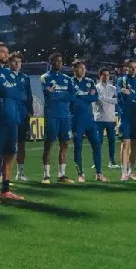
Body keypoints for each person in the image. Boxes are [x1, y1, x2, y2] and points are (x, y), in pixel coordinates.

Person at [0, 42, 27, 203]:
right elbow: (3, 90)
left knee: (11, 155)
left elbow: (22, 93)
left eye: (7, 52)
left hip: (13, 119)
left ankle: (5, 190)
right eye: (3, 52)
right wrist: (11, 91)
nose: (6, 55)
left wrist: (11, 91)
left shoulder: (11, 73)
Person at [40, 52, 75, 184]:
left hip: (65, 116)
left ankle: (62, 174)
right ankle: (46, 175)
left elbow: (72, 97)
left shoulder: (67, 79)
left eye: (60, 61)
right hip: (52, 115)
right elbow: (49, 95)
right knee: (48, 144)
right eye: (56, 61)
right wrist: (63, 95)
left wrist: (58, 94)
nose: (59, 63)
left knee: (64, 144)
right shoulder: (45, 77)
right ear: (50, 63)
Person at [69, 60, 106, 182]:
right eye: (80, 68)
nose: (83, 70)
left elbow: (94, 97)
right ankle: (80, 174)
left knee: (96, 145)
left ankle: (99, 173)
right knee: (78, 147)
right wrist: (86, 97)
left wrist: (80, 96)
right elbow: (71, 98)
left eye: (84, 68)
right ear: (74, 70)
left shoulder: (89, 82)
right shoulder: (69, 82)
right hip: (76, 120)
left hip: (89, 120)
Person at [116, 60, 136, 181]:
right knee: (125, 144)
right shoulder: (121, 80)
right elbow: (122, 93)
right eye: (131, 67)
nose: (133, 69)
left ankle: (131, 171)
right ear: (126, 68)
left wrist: (132, 95)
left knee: (134, 144)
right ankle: (123, 172)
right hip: (125, 116)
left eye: (135, 67)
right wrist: (135, 97)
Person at [11, 52, 33, 181]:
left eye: (19, 62)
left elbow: (29, 95)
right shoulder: (6, 76)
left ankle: (20, 173)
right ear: (10, 63)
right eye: (14, 61)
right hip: (10, 113)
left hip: (22, 114)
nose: (17, 64)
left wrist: (30, 111)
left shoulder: (25, 77)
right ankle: (0, 174)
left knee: (21, 143)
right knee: (7, 143)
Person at [94, 67, 119, 169]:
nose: (106, 77)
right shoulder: (95, 88)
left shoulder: (113, 88)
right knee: (97, 141)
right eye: (104, 75)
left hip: (111, 118)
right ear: (100, 76)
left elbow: (117, 101)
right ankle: (96, 161)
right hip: (99, 119)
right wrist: (110, 100)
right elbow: (97, 100)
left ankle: (112, 161)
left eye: (108, 75)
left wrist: (104, 99)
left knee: (112, 141)